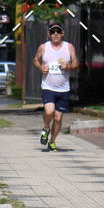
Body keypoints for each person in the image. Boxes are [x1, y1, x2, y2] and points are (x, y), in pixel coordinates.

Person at [33, 22, 79, 152]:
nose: (56, 34)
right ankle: (46, 128)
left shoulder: (69, 47)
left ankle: (52, 141)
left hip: (63, 89)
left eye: (58, 31)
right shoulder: (44, 47)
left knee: (58, 118)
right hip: (48, 87)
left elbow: (76, 63)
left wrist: (68, 66)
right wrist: (40, 67)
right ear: (49, 34)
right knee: (49, 111)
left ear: (62, 33)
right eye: (53, 32)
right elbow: (35, 59)